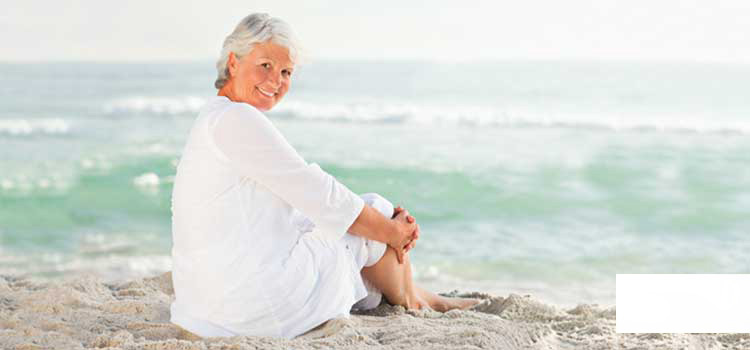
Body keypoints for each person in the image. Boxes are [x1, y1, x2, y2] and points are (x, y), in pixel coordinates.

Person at [169, 13, 479, 339]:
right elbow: (319, 194)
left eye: (286, 72)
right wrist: (391, 230)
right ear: (233, 63)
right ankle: (415, 301)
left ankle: (417, 293)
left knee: (352, 225)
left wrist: (384, 228)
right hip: (251, 309)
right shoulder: (238, 119)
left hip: (204, 307)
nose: (276, 80)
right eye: (265, 65)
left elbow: (298, 202)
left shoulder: (214, 116)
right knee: (376, 211)